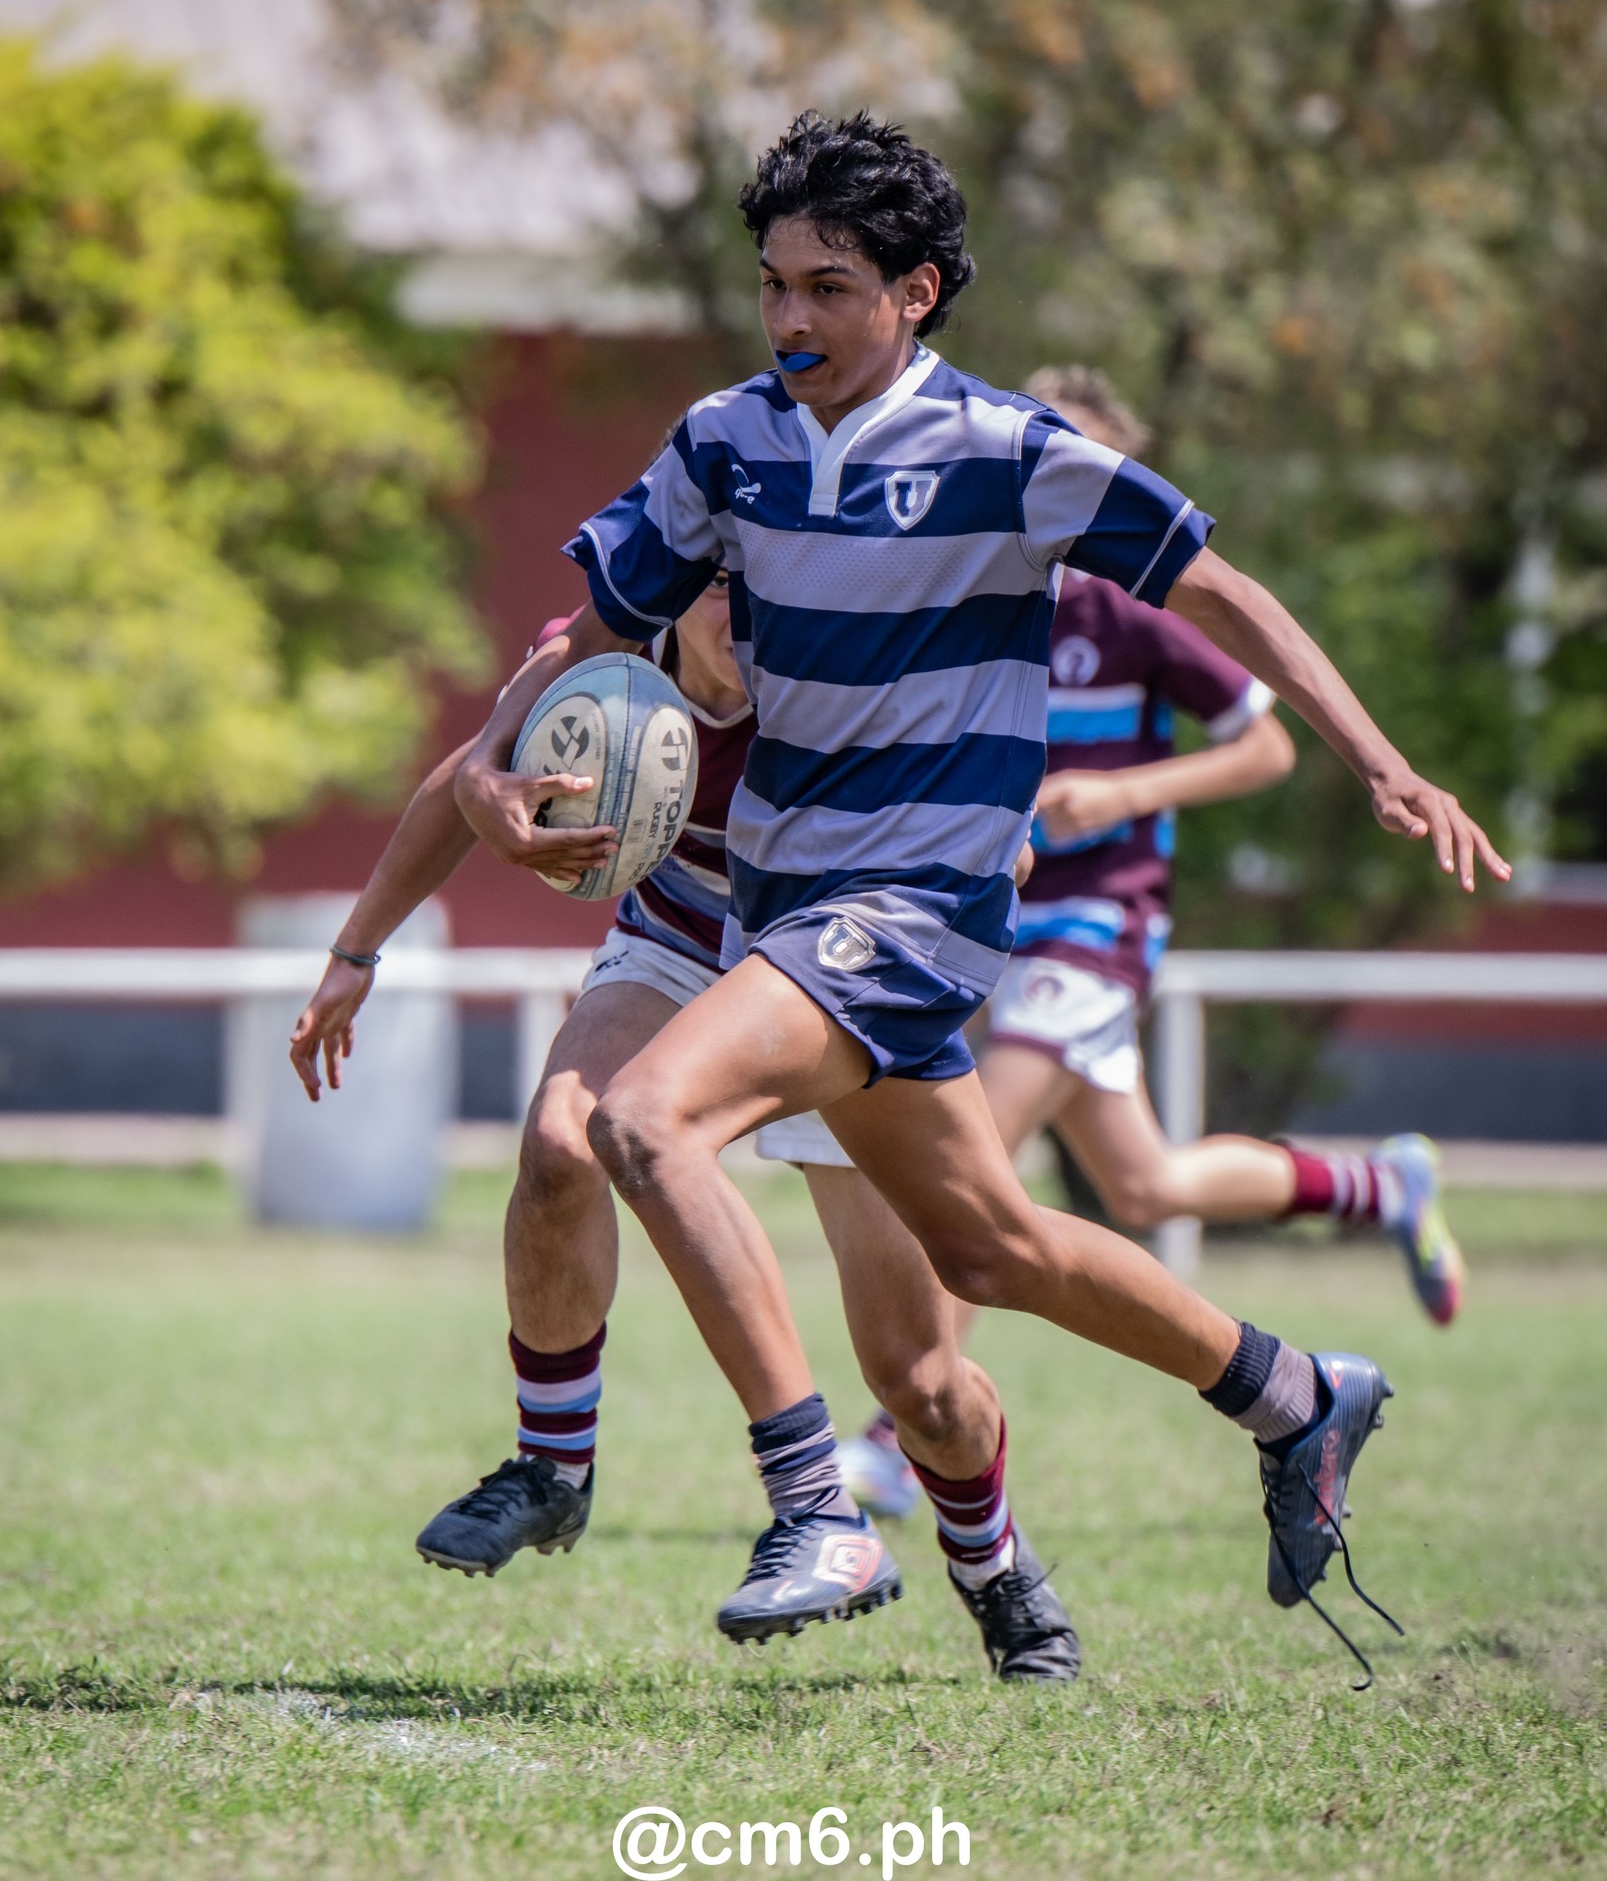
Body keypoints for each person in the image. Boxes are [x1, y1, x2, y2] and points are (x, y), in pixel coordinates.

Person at [451, 111, 1508, 1651]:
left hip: (914, 908)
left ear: (916, 291)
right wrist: (489, 767)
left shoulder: (1011, 454)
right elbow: (598, 630)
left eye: (826, 287)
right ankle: (1296, 1396)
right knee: (985, 1254)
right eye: (773, 285)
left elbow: (1228, 594)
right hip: (779, 907)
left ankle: (816, 1509)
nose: (789, 318)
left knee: (637, 1119)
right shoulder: (722, 443)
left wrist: (1380, 762)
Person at [290, 579, 1083, 1679]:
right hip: (675, 940)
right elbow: (462, 782)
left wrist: (978, 846)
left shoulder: (840, 670)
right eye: (736, 593)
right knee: (563, 1143)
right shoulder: (598, 656)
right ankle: (552, 1465)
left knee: (920, 1380)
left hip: (837, 975)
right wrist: (354, 951)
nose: (764, 618)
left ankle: (995, 1569)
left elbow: (992, 814)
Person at [770, 367, 1466, 1523]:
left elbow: (1264, 750)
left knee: (970, 1159)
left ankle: (900, 1434)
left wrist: (1122, 790)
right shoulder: (968, 592)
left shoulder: (1140, 610)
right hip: (989, 914)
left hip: (1099, 921)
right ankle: (1378, 1182)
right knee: (1144, 1180)